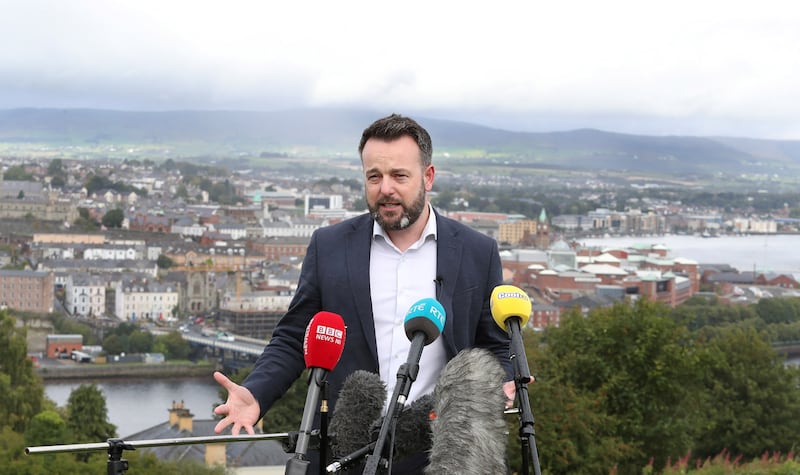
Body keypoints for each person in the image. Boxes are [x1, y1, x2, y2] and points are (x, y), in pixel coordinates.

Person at [213, 113, 512, 473]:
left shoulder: (477, 252)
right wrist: (255, 392)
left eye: (399, 175)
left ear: (428, 177)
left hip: (439, 453)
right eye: (374, 176)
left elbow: (495, 346)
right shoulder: (330, 246)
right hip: (346, 451)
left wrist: (506, 379)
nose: (386, 188)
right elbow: (296, 337)